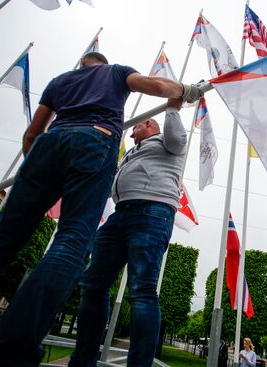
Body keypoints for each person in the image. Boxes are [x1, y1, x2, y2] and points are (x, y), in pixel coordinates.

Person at [0, 52, 203, 366]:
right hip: (103, 169)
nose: (136, 127)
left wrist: (176, 104)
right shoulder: (116, 75)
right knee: (81, 261)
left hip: (136, 203)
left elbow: (32, 133)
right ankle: (31, 356)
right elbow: (152, 85)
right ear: (103, 63)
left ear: (82, 63)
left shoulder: (61, 82)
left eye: (143, 125)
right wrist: (180, 88)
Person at [68, 97, 187, 367]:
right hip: (120, 213)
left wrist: (171, 109)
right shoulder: (131, 153)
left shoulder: (167, 142)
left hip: (152, 211)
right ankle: (83, 360)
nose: (131, 131)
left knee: (142, 290)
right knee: (93, 284)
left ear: (148, 124)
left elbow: (179, 138)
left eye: (135, 127)